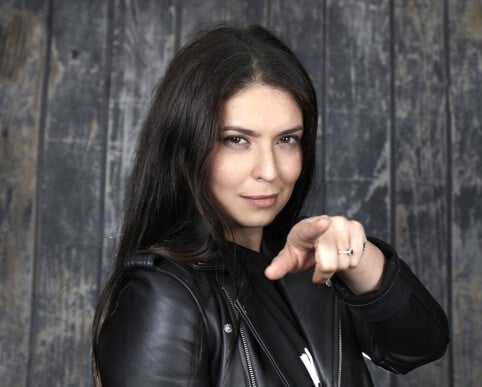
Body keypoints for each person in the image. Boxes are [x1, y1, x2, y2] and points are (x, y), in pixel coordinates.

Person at [92, 23, 449, 386]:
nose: (269, 171)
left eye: (287, 140)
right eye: (236, 140)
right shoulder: (165, 295)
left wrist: (357, 256)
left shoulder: (308, 262)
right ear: (185, 146)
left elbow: (421, 345)